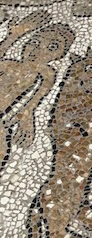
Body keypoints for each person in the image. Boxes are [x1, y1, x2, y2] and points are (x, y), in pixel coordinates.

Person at [0, 11, 74, 167]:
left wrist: (26, 116)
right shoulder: (8, 64)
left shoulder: (45, 73)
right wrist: (13, 36)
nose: (38, 49)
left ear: (60, 55)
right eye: (34, 41)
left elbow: (34, 101)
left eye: (52, 47)